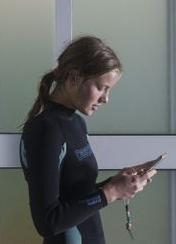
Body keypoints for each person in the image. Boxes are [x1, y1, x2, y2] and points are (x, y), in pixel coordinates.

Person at [20, 35, 157, 244]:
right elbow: (48, 221)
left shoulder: (76, 123)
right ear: (74, 78)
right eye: (101, 87)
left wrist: (118, 183)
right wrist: (110, 192)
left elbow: (75, 196)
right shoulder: (45, 129)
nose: (105, 99)